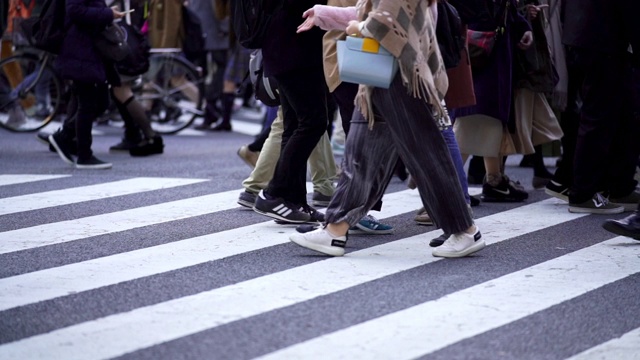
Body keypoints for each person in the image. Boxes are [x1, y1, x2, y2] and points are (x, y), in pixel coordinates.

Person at [290, 0, 483, 258]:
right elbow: (370, 10)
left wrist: (358, 27)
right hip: (380, 72)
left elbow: (385, 20)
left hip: (403, 75)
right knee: (360, 155)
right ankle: (335, 229)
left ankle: (465, 230)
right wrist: (326, 14)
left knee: (426, 156)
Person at [251, 0, 334, 224]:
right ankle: (274, 194)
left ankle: (292, 201)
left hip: (285, 47)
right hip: (295, 48)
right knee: (313, 122)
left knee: (295, 125)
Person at [560, 0, 640, 214]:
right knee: (601, 117)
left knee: (622, 114)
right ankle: (584, 192)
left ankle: (618, 185)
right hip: (604, 39)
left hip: (589, 35)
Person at [453, 0, 533, 203]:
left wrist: (522, 25)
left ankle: (493, 179)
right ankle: (447, 193)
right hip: (479, 50)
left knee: (485, 122)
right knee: (472, 123)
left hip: (485, 50)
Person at [49, 0, 128, 169]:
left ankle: (65, 136)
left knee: (100, 102)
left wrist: (107, 12)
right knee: (89, 103)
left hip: (89, 48)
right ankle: (84, 154)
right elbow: (75, 10)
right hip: (80, 48)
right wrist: (107, 14)